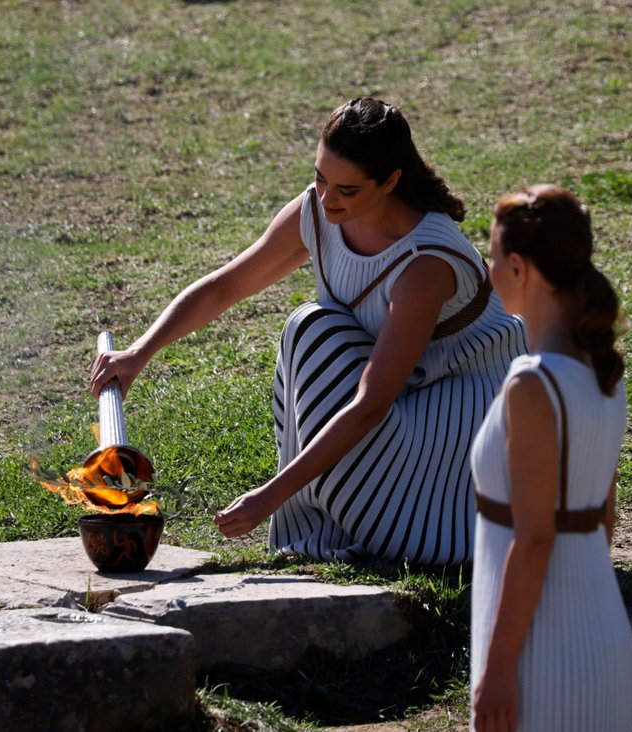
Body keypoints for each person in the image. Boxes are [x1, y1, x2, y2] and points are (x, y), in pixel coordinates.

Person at [90, 97, 526, 564]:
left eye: (347, 189)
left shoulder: (425, 265)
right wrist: (139, 352)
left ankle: (389, 525)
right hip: (401, 397)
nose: (327, 198)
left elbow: (371, 404)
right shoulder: (321, 211)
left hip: (465, 423)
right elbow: (227, 286)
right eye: (320, 178)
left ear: (392, 181)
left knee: (314, 333)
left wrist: (269, 497)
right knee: (311, 330)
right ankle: (322, 522)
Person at [469, 185, 632, 730]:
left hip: (540, 653)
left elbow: (536, 536)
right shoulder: (604, 372)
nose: (490, 271)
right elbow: (604, 521)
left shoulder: (531, 385)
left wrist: (496, 670)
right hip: (599, 628)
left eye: (492, 257)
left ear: (519, 267)